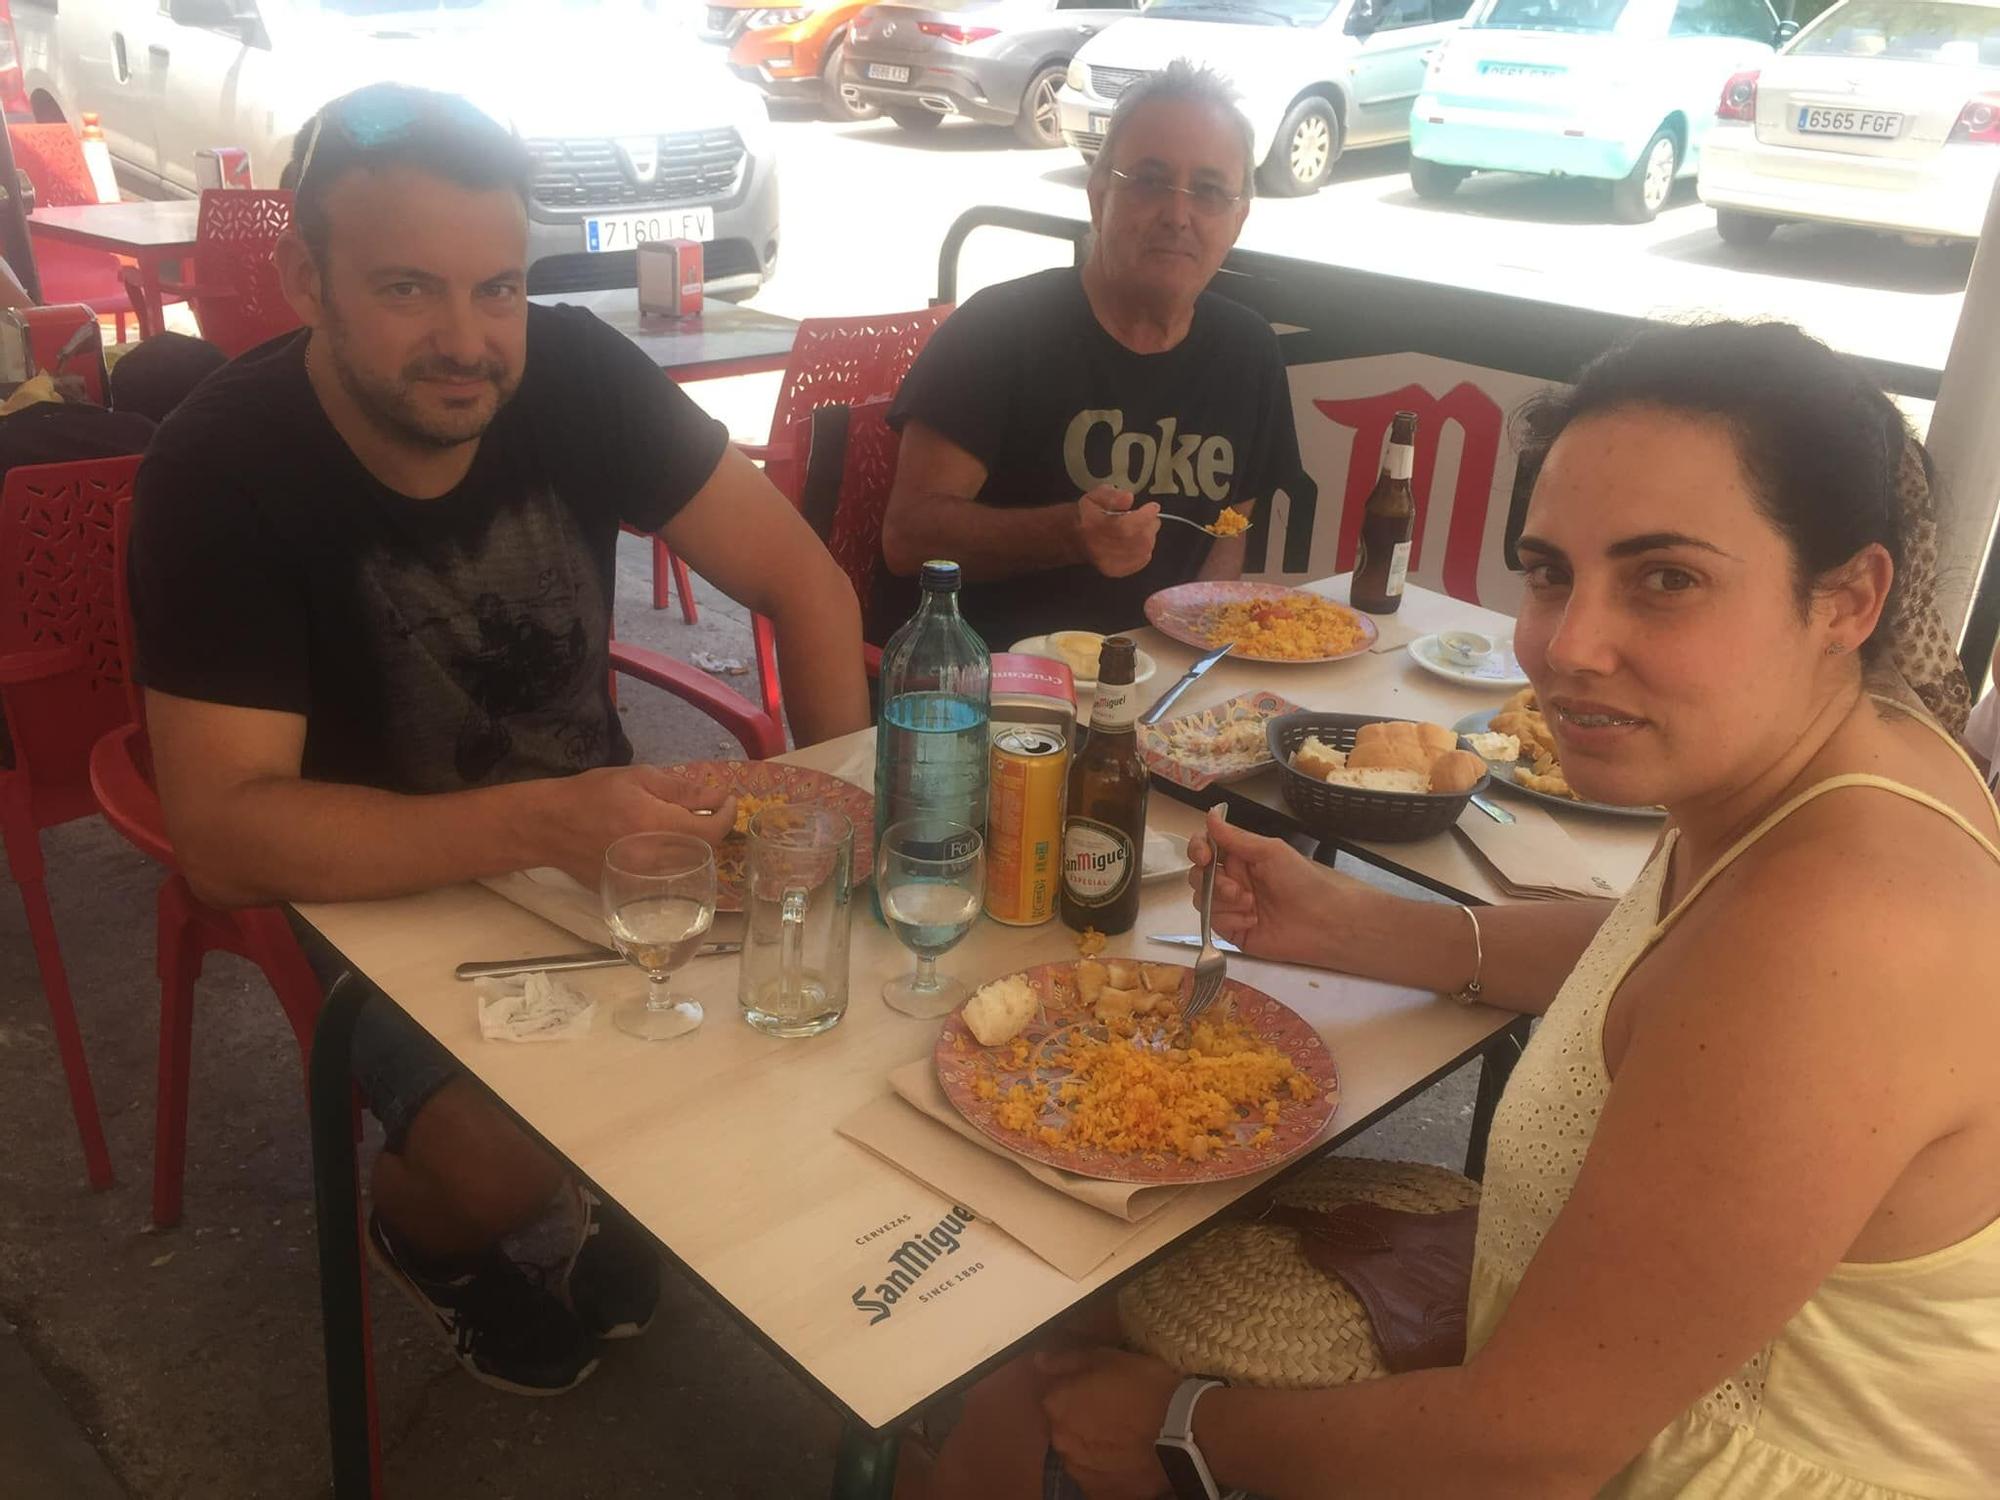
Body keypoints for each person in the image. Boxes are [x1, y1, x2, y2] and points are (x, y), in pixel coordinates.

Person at [912, 322, 2000, 1500]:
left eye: (1665, 579)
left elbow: (1520, 1452)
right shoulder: (1852, 760)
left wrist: (1176, 1426)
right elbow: (1658, 962)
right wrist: (1353, 924)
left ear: (1845, 599)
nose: (1565, 645)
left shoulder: (1839, 933)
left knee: (1034, 1393)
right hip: (1581, 1381)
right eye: (1548, 573)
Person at [128, 83, 869, 1397]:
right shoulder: (219, 470)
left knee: (811, 1002)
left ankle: (627, 1173)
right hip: (361, 876)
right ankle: (426, 1237)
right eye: (409, 288)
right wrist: (552, 821)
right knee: (509, 1153)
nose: (468, 340)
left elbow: (807, 586)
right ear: (308, 277)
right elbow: (227, 833)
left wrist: (838, 828)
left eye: (500, 289)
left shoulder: (575, 372)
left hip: (601, 838)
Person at [877, 61, 1300, 648]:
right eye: (1150, 180)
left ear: (1238, 218)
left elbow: (1228, 534)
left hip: (1160, 682)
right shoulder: (1000, 328)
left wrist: (1199, 664)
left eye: (1208, 191)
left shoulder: (1249, 350)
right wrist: (1069, 533)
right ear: (1099, 193)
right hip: (990, 686)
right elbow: (907, 538)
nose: (1178, 215)